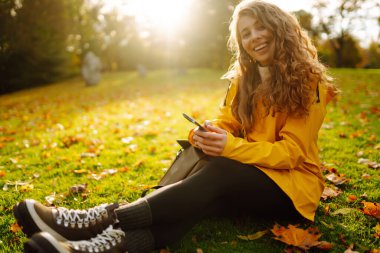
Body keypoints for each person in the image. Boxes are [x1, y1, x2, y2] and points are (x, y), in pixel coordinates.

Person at [13, 1, 338, 252]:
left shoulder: (309, 83)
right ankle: (100, 246)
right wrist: (208, 133)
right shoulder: (245, 80)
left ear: (278, 27)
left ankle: (101, 219)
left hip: (292, 190)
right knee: (200, 200)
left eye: (259, 28)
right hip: (251, 173)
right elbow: (229, 122)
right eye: (246, 33)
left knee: (221, 170)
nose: (254, 37)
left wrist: (229, 147)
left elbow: (292, 154)